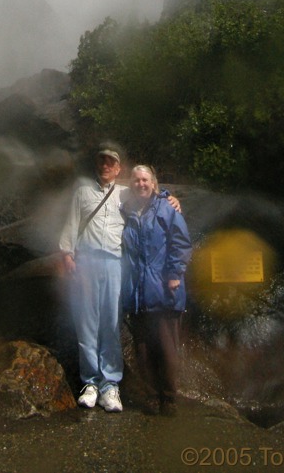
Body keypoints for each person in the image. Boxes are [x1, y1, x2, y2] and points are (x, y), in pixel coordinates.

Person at [59, 148, 181, 413]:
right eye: (101, 160)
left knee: (111, 322)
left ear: (118, 169)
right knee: (87, 322)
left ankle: (110, 384)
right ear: (97, 165)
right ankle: (90, 382)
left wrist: (172, 198)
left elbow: (150, 194)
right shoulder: (82, 192)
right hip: (88, 261)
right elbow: (71, 223)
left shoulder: (125, 192)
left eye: (111, 162)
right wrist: (67, 254)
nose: (105, 165)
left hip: (115, 263)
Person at [121, 164, 192, 416]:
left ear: (153, 183)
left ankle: (169, 398)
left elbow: (181, 242)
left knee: (166, 347)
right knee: (143, 349)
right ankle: (151, 396)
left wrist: (174, 274)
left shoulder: (166, 207)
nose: (140, 183)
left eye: (145, 179)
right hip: (138, 292)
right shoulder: (126, 209)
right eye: (136, 180)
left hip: (163, 289)